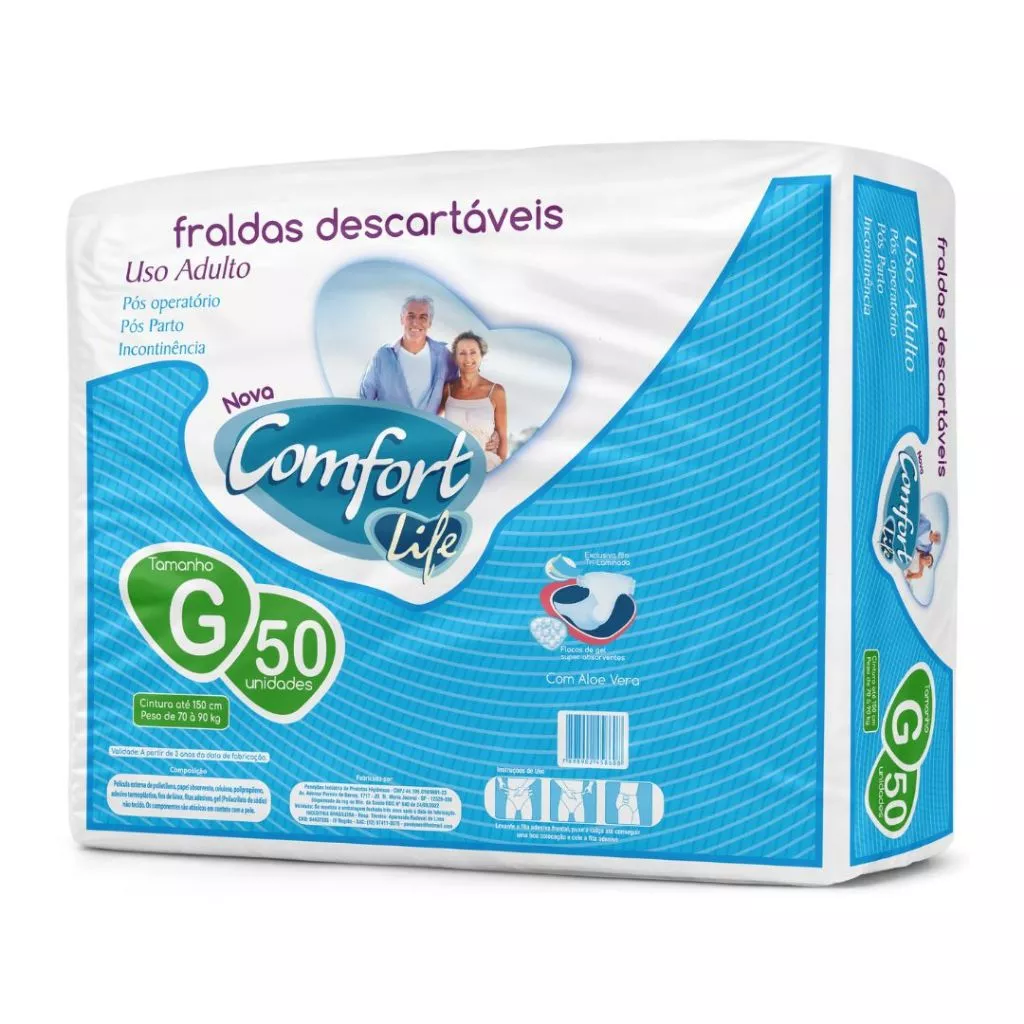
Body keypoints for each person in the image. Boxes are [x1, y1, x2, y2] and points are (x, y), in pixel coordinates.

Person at [358, 296, 456, 412]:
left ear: (430, 322)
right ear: (402, 319)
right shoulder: (382, 356)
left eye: (423, 317)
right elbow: (365, 400)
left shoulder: (444, 356)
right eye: (411, 316)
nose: (415, 322)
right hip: (390, 423)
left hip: (427, 423)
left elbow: (456, 391)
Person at [438, 331, 508, 471]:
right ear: (455, 358)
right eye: (462, 353)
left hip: (486, 465)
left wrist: (499, 472)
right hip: (452, 466)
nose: (468, 358)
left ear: (481, 355)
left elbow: (503, 438)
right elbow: (432, 421)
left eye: (473, 352)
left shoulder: (496, 391)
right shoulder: (447, 390)